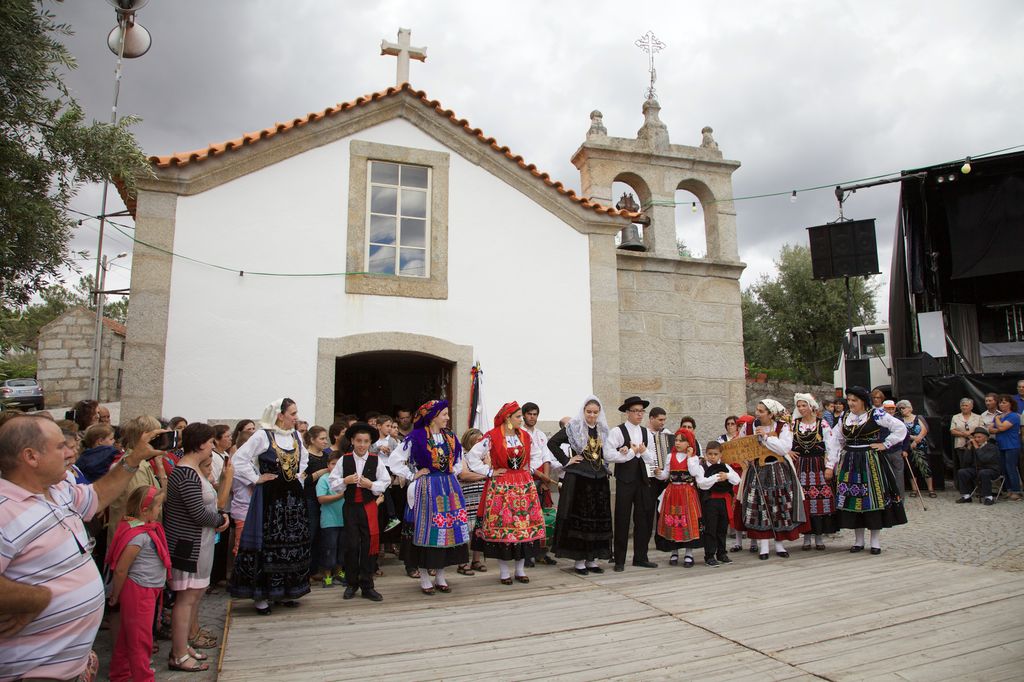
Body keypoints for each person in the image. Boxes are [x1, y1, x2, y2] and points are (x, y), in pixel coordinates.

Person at [0, 415, 163, 681]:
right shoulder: (5, 509)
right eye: (59, 446)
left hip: (70, 667)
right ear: (31, 457)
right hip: (31, 672)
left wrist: (133, 459)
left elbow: (97, 496)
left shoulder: (58, 489)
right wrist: (36, 598)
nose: (70, 452)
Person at [230, 399, 312, 614]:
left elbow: (303, 460)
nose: (296, 417)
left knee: (291, 543)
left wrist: (297, 477)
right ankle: (262, 597)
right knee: (267, 544)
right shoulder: (263, 435)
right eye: (292, 413)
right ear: (280, 415)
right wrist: (256, 478)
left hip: (292, 500)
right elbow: (239, 460)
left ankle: (286, 591)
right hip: (270, 499)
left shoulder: (296, 436)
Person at [164, 423, 229, 671]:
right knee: (186, 598)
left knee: (194, 596)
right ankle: (178, 653)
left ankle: (183, 645)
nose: (213, 446)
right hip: (188, 545)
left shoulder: (191, 471)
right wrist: (219, 520)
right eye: (211, 442)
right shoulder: (186, 473)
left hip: (199, 542)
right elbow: (197, 513)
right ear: (201, 444)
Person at [388, 400, 470, 595]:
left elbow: (458, 459)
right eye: (444, 414)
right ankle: (425, 578)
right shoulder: (416, 437)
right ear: (433, 417)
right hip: (427, 488)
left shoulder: (449, 436)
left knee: (446, 531)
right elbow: (394, 461)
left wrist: (452, 471)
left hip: (448, 488)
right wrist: (412, 474)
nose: (447, 418)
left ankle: (440, 576)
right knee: (426, 530)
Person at [467, 401, 546, 584]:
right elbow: (472, 457)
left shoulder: (525, 436)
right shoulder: (492, 436)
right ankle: (504, 572)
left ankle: (520, 570)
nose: (521, 419)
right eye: (518, 417)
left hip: (523, 486)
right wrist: (489, 472)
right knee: (503, 528)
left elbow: (537, 455)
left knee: (523, 528)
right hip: (501, 487)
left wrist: (529, 469)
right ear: (507, 418)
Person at [829, 386, 908, 554]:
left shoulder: (876, 414)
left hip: (870, 460)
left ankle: (875, 541)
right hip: (850, 461)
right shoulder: (844, 417)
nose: (851, 403)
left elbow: (900, 428)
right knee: (853, 499)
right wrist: (833, 462)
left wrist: (885, 444)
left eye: (854, 400)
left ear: (863, 401)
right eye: (849, 400)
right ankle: (858, 540)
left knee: (872, 498)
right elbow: (836, 439)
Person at [106, 486, 171, 682]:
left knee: (128, 636)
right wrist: (115, 595)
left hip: (146, 589)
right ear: (144, 510)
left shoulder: (143, 529)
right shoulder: (138, 536)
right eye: (158, 506)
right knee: (140, 639)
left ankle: (120, 673)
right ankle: (143, 678)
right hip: (139, 590)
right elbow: (121, 569)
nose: (160, 510)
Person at [546, 395, 613, 575]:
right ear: (583, 411)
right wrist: (566, 460)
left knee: (596, 519)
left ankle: (592, 560)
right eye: (589, 412)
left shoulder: (602, 430)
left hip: (598, 479)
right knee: (581, 519)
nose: (592, 415)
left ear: (599, 413)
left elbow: (606, 452)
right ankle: (579, 561)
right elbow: (552, 443)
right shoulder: (575, 428)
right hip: (580, 479)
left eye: (595, 412)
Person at [734, 399, 806, 560]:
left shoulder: (782, 426)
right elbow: (740, 445)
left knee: (779, 505)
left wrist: (766, 437)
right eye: (757, 410)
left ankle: (779, 544)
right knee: (760, 505)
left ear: (771, 414)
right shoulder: (749, 426)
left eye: (761, 411)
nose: (757, 413)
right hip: (757, 469)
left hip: (778, 469)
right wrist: (746, 456)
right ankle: (764, 546)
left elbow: (784, 448)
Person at [328, 422, 390, 602]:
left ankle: (367, 585)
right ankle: (351, 583)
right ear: (352, 441)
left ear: (370, 443)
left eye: (365, 441)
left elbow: (385, 482)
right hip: (350, 509)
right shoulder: (344, 460)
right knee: (352, 546)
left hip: (369, 507)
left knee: (369, 546)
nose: (362, 445)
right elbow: (333, 482)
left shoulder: (376, 460)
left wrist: (371, 485)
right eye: (358, 441)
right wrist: (345, 481)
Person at [604, 396, 657, 572]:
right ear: (627, 412)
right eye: (635, 411)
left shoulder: (646, 432)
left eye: (641, 411)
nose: (639, 414)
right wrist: (629, 453)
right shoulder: (617, 432)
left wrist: (643, 451)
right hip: (625, 480)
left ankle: (641, 557)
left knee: (643, 519)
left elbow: (652, 458)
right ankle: (619, 559)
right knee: (622, 518)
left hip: (642, 480)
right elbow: (608, 454)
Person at [107, 416, 166, 544]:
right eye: (157, 436)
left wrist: (161, 469)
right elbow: (141, 506)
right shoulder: (135, 466)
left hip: (137, 537)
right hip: (133, 541)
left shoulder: (140, 462)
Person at [790, 394, 838, 550]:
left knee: (820, 500)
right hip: (800, 465)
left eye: (804, 405)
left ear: (811, 406)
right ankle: (806, 537)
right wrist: (788, 451)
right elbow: (785, 441)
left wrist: (830, 466)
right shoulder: (794, 424)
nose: (801, 408)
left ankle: (818, 536)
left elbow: (832, 445)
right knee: (803, 500)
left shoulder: (822, 423)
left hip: (818, 465)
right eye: (799, 406)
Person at [654, 428, 705, 566]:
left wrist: (690, 457)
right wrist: (658, 473)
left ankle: (689, 553)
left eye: (681, 441)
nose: (677, 443)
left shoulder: (693, 458)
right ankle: (674, 551)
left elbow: (694, 472)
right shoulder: (670, 456)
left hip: (687, 493)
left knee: (687, 521)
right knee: (673, 521)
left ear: (689, 443)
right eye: (676, 440)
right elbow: (666, 475)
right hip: (672, 492)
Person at [522, 401, 557, 567]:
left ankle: (542, 553)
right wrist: (540, 475)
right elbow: (522, 461)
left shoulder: (541, 434)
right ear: (523, 415)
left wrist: (546, 479)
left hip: (541, 480)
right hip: (526, 479)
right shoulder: (519, 434)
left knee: (542, 518)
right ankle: (527, 554)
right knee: (527, 517)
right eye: (529, 414)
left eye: (535, 414)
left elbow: (546, 457)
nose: (532, 417)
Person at [696, 441, 740, 566]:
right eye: (710, 454)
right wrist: (716, 477)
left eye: (715, 454)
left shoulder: (725, 467)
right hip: (710, 501)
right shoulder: (702, 467)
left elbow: (737, 480)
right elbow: (702, 484)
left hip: (724, 501)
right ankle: (709, 555)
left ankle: (722, 553)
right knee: (710, 528)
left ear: (720, 454)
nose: (713, 457)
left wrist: (727, 475)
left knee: (722, 528)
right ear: (706, 454)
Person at [456, 428, 488, 576]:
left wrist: (487, 463)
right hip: (466, 497)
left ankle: (476, 560)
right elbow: (464, 475)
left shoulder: (484, 456)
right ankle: (462, 562)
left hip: (482, 496)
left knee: (479, 528)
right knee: (465, 529)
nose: (480, 443)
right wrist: (485, 475)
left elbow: (492, 470)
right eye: (477, 440)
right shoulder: (462, 454)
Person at [303, 425, 331, 579]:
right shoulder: (305, 457)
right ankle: (306, 571)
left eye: (326, 438)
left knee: (321, 536)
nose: (325, 442)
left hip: (326, 501)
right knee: (311, 534)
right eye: (322, 439)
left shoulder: (326, 456)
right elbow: (303, 480)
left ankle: (316, 569)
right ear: (312, 440)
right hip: (310, 499)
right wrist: (321, 472)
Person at [315, 450, 346, 587]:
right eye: (333, 464)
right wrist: (340, 496)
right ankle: (327, 576)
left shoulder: (346, 479)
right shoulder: (324, 479)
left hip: (345, 520)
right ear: (328, 465)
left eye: (339, 464)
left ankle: (339, 573)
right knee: (329, 549)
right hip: (329, 521)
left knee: (342, 549)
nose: (336, 467)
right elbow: (321, 498)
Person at [956, 427, 1003, 505]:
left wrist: (977, 448)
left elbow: (984, 459)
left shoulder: (992, 447)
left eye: (979, 437)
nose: (976, 439)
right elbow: (966, 462)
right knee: (962, 472)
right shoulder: (973, 447)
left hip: (992, 470)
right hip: (977, 469)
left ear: (986, 438)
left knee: (984, 473)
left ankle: (988, 497)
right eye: (975, 437)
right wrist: (968, 449)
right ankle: (966, 496)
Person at [898, 399, 935, 498]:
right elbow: (902, 433)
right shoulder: (900, 421)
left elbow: (924, 430)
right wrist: (912, 438)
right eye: (900, 408)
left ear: (910, 408)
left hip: (921, 446)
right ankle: (914, 489)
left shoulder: (918, 417)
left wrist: (916, 440)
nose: (902, 410)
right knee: (911, 468)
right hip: (907, 446)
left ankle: (931, 489)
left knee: (926, 467)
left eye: (903, 408)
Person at [992, 394, 1022, 500]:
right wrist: (999, 427)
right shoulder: (1000, 416)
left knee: (1011, 468)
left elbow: (1001, 427)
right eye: (1000, 402)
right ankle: (1009, 490)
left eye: (1004, 402)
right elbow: (990, 429)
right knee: (1004, 469)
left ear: (1010, 404)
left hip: (1012, 445)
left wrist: (997, 419)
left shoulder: (1013, 416)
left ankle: (1016, 491)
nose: (1001, 404)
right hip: (1001, 445)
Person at [950, 398, 983, 473]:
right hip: (960, 445)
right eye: (962, 405)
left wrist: (972, 433)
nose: (964, 407)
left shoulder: (978, 417)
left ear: (971, 407)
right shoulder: (955, 417)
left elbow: (981, 429)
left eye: (966, 405)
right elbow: (952, 431)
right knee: (963, 464)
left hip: (976, 444)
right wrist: (964, 434)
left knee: (977, 464)